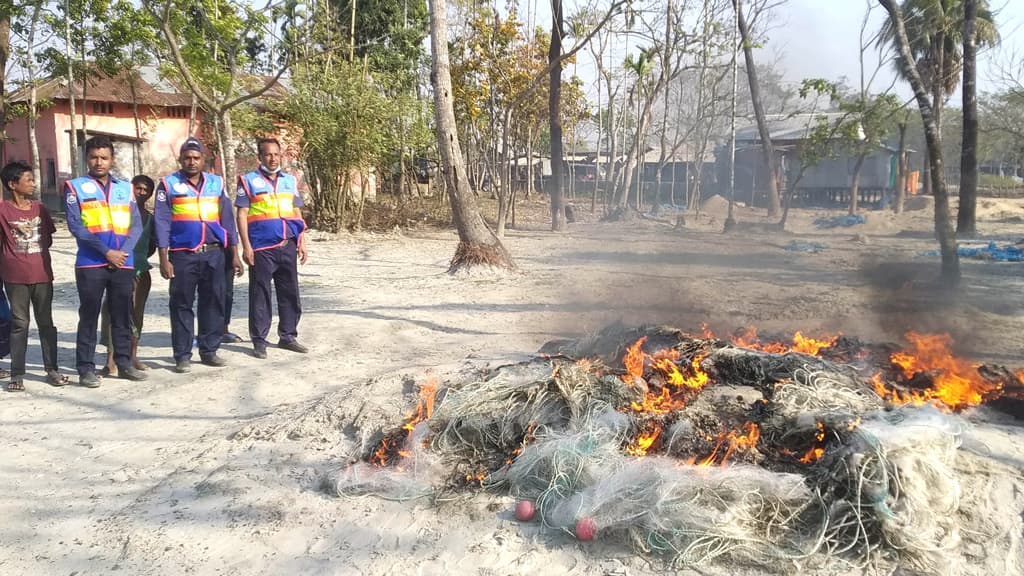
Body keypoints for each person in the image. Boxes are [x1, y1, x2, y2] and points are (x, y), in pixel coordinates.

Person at [155, 137, 243, 373]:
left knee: (213, 301)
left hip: (214, 253)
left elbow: (227, 220)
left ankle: (209, 350)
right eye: (187, 158)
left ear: (204, 159)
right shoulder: (168, 184)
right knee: (182, 304)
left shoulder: (216, 183)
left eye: (196, 158)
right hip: (183, 255)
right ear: (180, 159)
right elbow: (161, 222)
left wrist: (234, 253)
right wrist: (164, 258)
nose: (191, 162)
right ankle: (182, 355)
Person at [65, 136, 146, 387]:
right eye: (94, 157)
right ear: (86, 158)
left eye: (104, 157)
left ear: (112, 160)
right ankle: (86, 368)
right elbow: (76, 226)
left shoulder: (125, 188)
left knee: (122, 314)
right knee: (88, 315)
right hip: (91, 262)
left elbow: (136, 225)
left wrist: (121, 253)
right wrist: (107, 252)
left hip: (123, 261)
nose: (99, 162)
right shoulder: (74, 187)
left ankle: (123, 364)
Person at [236, 137, 309, 359]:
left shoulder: (289, 181)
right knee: (260, 294)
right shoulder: (248, 181)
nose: (273, 158)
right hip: (261, 248)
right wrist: (246, 246)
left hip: (287, 244)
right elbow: (242, 214)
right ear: (260, 157)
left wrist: (301, 241)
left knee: (290, 292)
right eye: (268, 154)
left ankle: (288, 336)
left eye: (276, 154)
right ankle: (259, 340)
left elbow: (296, 213)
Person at [0, 161, 67, 390]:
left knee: (46, 322)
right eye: (27, 179)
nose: (32, 183)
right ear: (12, 184)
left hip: (42, 274)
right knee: (20, 323)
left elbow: (47, 239)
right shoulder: (2, 211)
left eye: (32, 179)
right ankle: (17, 374)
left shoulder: (40, 208)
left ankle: (52, 369)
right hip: (14, 277)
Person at [100, 175, 157, 376]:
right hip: (116, 270)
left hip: (140, 271)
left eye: (146, 190)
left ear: (150, 193)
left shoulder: (150, 218)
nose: (141, 192)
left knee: (135, 315)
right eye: (138, 188)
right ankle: (111, 360)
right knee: (111, 313)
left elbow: (152, 245)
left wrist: (138, 258)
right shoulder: (118, 213)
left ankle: (132, 356)